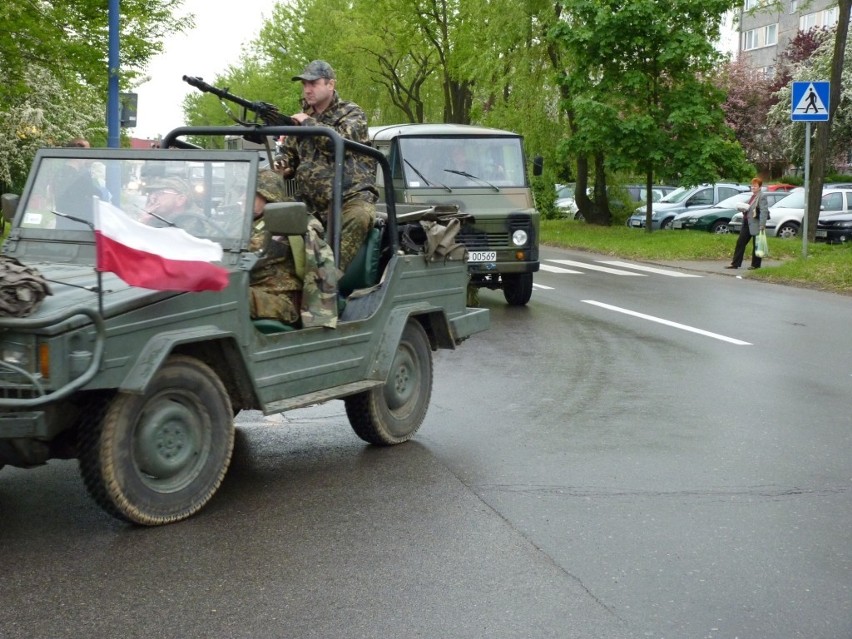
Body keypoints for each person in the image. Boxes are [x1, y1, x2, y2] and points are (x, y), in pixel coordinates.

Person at [278, 60, 377, 273]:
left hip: (349, 198)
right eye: (304, 84)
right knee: (275, 217)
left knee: (359, 217)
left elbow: (338, 143)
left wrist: (307, 124)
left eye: (313, 83)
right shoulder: (303, 118)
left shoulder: (351, 113)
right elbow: (289, 155)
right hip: (311, 203)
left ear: (330, 85)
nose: (307, 89)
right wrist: (281, 167)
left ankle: (327, 282)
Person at [249, 170, 302, 324]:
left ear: (269, 196)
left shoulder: (281, 223)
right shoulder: (250, 221)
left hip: (280, 300)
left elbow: (250, 251)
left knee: (225, 297)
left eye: (252, 193)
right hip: (254, 290)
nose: (243, 198)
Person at [52, 138, 103, 229]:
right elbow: (96, 196)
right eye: (87, 151)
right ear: (78, 152)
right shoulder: (79, 177)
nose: (89, 155)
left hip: (63, 225)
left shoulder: (60, 173)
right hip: (79, 227)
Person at [726, 177, 770, 270]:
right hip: (747, 223)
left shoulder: (762, 196)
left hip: (756, 224)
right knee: (740, 242)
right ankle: (735, 263)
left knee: (757, 244)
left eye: (755, 186)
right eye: (752, 186)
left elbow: (764, 211)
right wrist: (744, 209)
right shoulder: (752, 196)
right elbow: (750, 209)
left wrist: (762, 225)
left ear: (760, 187)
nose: (753, 187)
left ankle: (755, 265)